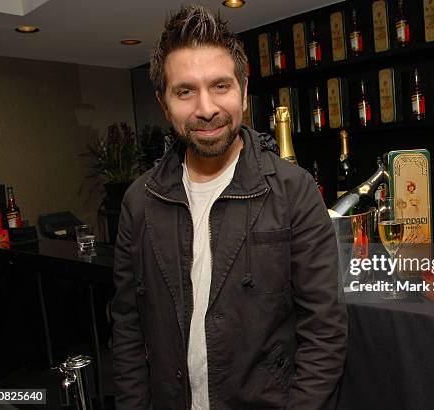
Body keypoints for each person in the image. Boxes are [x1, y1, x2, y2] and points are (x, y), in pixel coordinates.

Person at [111, 5, 347, 410]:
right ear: (164, 103)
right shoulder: (139, 201)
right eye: (185, 91)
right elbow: (128, 331)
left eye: (220, 86)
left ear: (243, 86)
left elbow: (324, 331)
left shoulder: (294, 190)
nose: (206, 109)